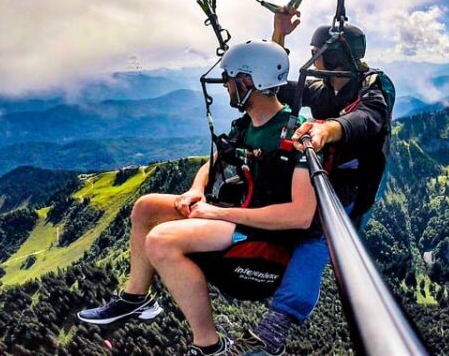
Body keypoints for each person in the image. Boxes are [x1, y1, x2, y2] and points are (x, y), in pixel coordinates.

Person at [77, 40, 317, 356]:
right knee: (146, 207)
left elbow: (300, 215)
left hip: (263, 242)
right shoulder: (248, 124)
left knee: (161, 240)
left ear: (249, 82)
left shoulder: (295, 134)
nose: (227, 87)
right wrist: (196, 190)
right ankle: (136, 298)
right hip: (235, 218)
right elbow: (218, 159)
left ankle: (208, 345)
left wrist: (218, 214)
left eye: (231, 80)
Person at [227, 9, 394, 356]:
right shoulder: (320, 89)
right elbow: (268, 87)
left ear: (329, 55)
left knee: (318, 235)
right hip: (313, 174)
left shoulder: (373, 87)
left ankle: (273, 331)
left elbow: (366, 119)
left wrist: (327, 129)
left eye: (318, 54)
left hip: (349, 184)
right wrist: (279, 35)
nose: (315, 61)